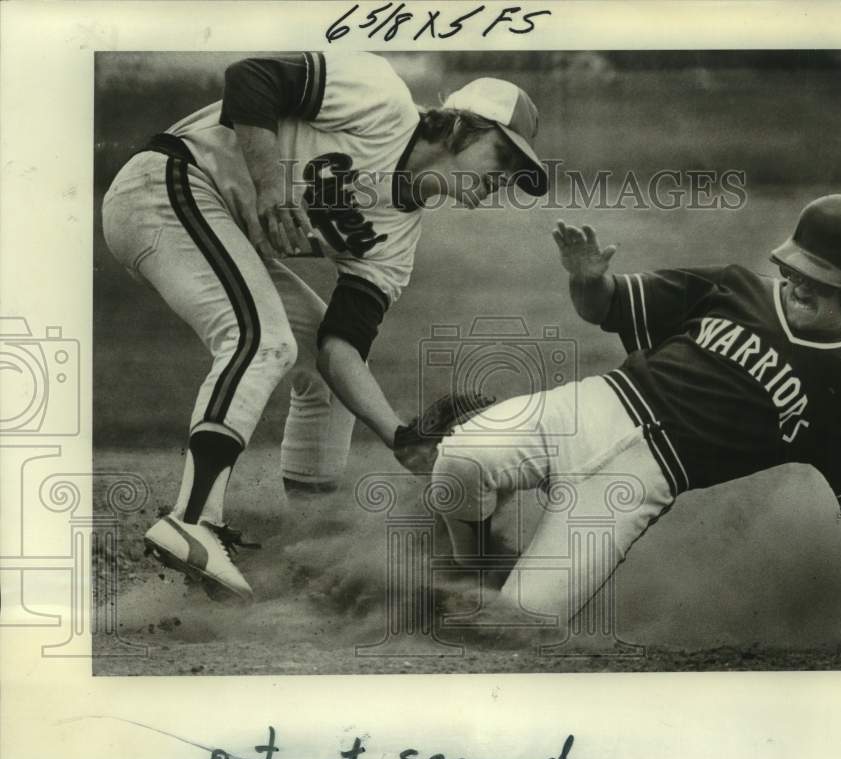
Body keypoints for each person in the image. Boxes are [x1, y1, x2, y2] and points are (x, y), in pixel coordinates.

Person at [102, 50, 548, 601]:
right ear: (462, 128)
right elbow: (251, 78)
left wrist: (402, 440)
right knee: (262, 339)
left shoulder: (397, 241)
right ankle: (192, 522)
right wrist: (270, 186)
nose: (504, 182)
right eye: (503, 159)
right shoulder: (378, 98)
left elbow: (342, 349)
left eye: (517, 177)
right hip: (164, 184)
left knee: (320, 366)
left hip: (213, 223)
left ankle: (308, 550)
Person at [430, 195, 841, 643]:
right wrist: (588, 280)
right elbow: (605, 306)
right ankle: (479, 569)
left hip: (634, 487)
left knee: (521, 627)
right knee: (458, 464)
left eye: (821, 278)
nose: (799, 282)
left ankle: (493, 606)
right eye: (796, 267)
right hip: (586, 408)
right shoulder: (733, 286)